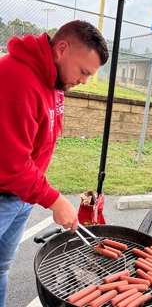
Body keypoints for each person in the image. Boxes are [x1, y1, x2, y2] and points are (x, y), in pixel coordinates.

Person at [0, 20, 109, 306]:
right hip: (3, 192)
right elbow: (11, 165)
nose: (84, 80)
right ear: (62, 49)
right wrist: (55, 201)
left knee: (0, 268)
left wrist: (36, 192)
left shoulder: (54, 79)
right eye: (84, 71)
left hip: (21, 196)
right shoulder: (18, 82)